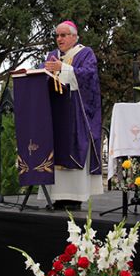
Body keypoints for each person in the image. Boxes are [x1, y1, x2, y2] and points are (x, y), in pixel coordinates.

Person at [40, 20, 103, 210]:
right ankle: (57, 197)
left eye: (63, 35)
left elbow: (89, 76)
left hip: (75, 112)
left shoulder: (85, 53)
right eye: (57, 35)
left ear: (74, 37)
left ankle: (75, 197)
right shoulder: (52, 55)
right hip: (55, 112)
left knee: (73, 147)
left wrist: (63, 68)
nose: (59, 39)